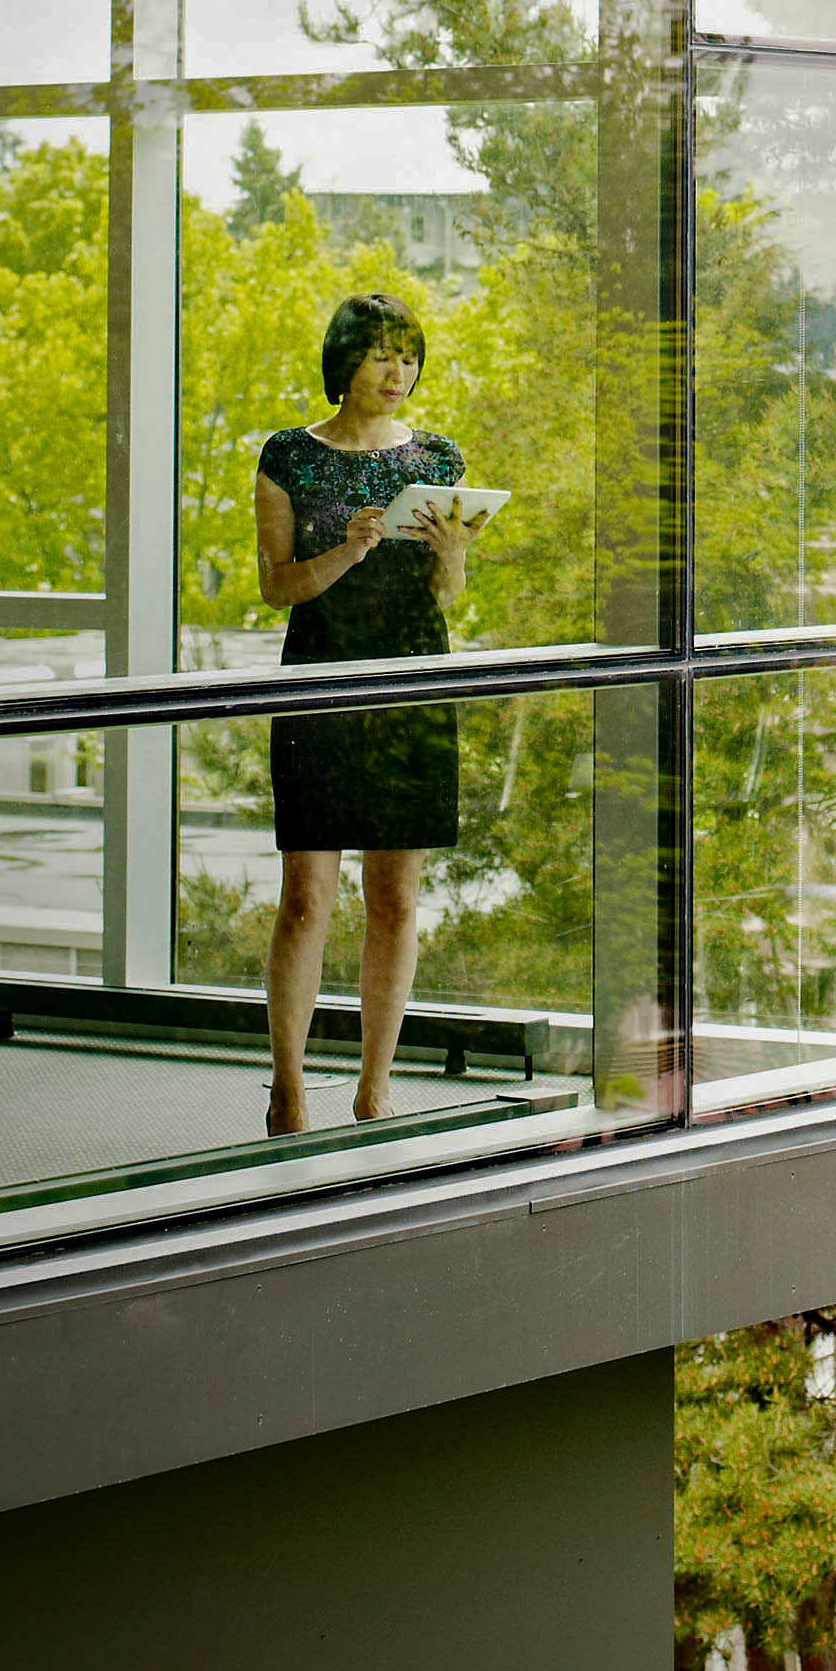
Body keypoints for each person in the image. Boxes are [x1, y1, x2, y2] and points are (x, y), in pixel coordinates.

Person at [251, 293, 474, 1135]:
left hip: (414, 689)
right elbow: (276, 588)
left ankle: (375, 1088)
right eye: (382, 355)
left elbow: (447, 597)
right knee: (307, 895)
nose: (398, 373)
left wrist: (450, 562)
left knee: (396, 897)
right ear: (344, 360)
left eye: (409, 357)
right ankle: (288, 1088)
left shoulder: (440, 459)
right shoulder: (288, 456)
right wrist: (347, 548)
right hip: (318, 683)